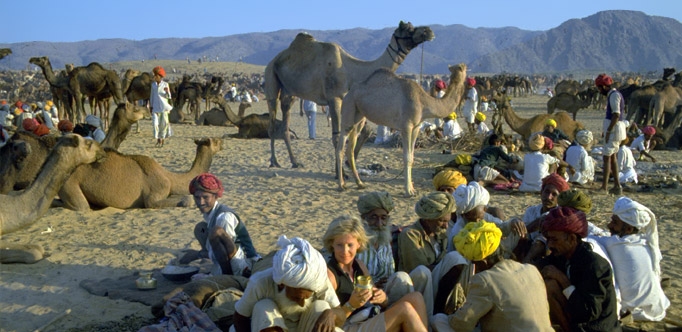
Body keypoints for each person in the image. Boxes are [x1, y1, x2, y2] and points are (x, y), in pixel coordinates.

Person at [430, 221, 554, 332]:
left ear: (483, 262)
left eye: (474, 263)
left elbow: (462, 325)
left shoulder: (485, 280)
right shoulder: (530, 269)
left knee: (438, 320)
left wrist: (455, 315)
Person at [323, 216, 429, 332]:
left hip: (369, 315)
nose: (345, 251)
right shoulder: (331, 275)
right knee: (405, 309)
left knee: (416, 297)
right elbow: (330, 321)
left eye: (350, 245)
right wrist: (351, 305)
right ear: (331, 244)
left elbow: (376, 296)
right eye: (339, 245)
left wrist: (383, 299)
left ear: (359, 244)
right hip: (349, 326)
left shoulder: (359, 265)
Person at [232, 236, 344, 332]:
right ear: (282, 284)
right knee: (263, 306)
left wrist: (331, 314)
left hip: (305, 328)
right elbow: (240, 318)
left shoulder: (317, 281)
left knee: (322, 307)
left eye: (306, 297)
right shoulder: (260, 282)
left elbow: (341, 314)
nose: (301, 304)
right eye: (297, 297)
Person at [538, 207, 621, 332]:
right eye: (548, 239)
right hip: (578, 322)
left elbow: (589, 313)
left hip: (595, 328)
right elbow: (539, 266)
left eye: (554, 240)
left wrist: (563, 280)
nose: (549, 245)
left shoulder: (594, 265)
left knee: (550, 285)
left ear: (571, 239)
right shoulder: (561, 255)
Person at [592, 197, 670, 321]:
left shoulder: (616, 245)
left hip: (633, 312)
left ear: (628, 229)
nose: (609, 225)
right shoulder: (645, 242)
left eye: (615, 223)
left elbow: (591, 238)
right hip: (656, 309)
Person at [397, 192, 469, 316]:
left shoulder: (440, 234)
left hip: (434, 281)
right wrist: (444, 268)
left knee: (459, 259)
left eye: (448, 221)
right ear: (428, 218)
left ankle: (444, 309)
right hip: (415, 285)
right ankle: (428, 316)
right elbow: (418, 269)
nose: (446, 226)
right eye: (441, 221)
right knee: (424, 271)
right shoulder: (410, 235)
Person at [181, 173, 259, 277]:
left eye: (205, 197)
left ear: (215, 197)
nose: (201, 202)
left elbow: (228, 251)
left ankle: (226, 275)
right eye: (197, 197)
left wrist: (197, 255)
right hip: (229, 260)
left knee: (216, 232)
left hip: (243, 264)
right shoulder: (210, 214)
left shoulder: (224, 217)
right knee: (201, 229)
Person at [520, 173, 571, 263]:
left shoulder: (559, 214)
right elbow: (524, 232)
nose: (548, 197)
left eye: (554, 194)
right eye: (546, 192)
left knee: (542, 239)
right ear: (541, 192)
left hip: (548, 252)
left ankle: (526, 261)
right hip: (527, 246)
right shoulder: (531, 211)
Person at [596, 73, 626, 195]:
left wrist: (608, 131)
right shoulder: (613, 95)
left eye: (599, 88)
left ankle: (604, 187)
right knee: (612, 156)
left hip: (614, 130)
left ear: (603, 87)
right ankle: (616, 186)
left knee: (606, 157)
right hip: (613, 128)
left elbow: (616, 114)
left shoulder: (614, 96)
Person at [150, 66, 173, 147]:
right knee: (155, 123)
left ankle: (162, 139)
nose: (154, 77)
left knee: (163, 124)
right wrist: (151, 105)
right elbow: (152, 96)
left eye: (155, 76)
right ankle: (158, 138)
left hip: (164, 107)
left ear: (159, 76)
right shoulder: (153, 85)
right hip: (155, 107)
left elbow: (168, 96)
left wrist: (166, 92)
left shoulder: (165, 84)